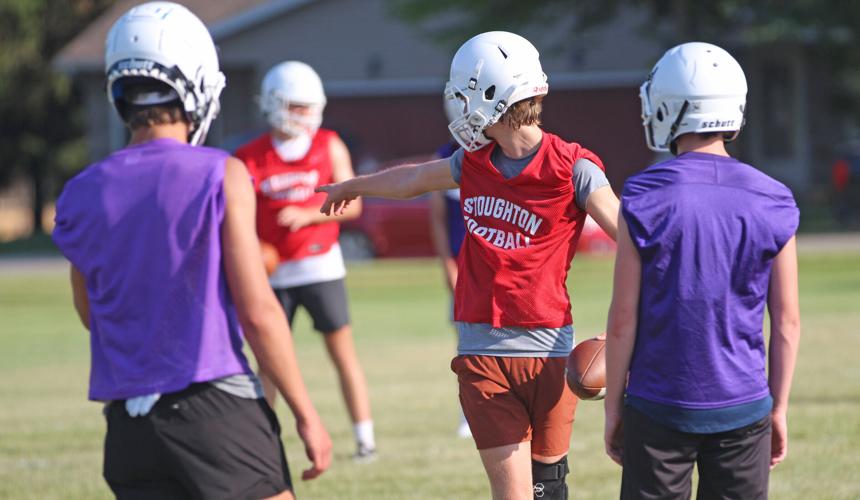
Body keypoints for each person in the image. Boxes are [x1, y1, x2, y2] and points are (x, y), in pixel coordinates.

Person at [317, 31, 620, 500]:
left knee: (551, 489)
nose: (460, 108)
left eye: (465, 96)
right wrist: (356, 184)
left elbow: (632, 240)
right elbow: (415, 179)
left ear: (492, 96)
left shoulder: (575, 167)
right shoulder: (472, 162)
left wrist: (622, 333)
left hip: (551, 353)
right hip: (484, 353)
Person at [51, 3, 331, 498]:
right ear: (198, 83)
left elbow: (90, 313)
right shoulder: (219, 172)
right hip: (214, 409)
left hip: (128, 430)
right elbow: (259, 311)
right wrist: (306, 414)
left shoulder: (79, 191)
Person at [604, 42, 801, 499]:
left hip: (658, 404)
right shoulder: (773, 197)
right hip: (744, 404)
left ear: (669, 107)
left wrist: (614, 407)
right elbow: (787, 321)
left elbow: (622, 320)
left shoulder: (643, 195)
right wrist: (779, 407)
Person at [235, 61, 376, 461]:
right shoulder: (250, 156)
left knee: (342, 354)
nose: (305, 115)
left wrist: (308, 214)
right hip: (272, 273)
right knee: (269, 363)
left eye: (308, 106)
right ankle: (259, 443)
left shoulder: (328, 144)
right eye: (297, 106)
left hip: (320, 265)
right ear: (276, 104)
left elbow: (354, 206)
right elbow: (239, 217)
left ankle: (365, 438)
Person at [427, 139, 472, 439]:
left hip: (501, 263)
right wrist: (446, 263)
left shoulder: (504, 148)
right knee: (466, 344)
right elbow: (437, 218)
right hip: (462, 264)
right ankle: (468, 413)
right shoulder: (446, 156)